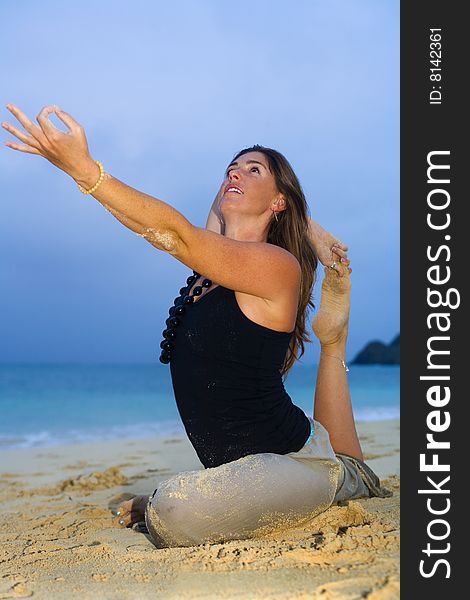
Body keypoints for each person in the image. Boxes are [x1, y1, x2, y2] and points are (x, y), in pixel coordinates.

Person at [3, 104, 391, 549]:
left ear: (278, 200)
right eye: (231, 169)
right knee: (177, 506)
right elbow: (154, 227)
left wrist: (87, 170)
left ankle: (347, 463)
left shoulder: (276, 267)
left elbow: (174, 234)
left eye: (254, 169)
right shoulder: (211, 269)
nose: (235, 174)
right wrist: (307, 226)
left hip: (290, 460)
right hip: (248, 469)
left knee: (171, 511)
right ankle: (333, 342)